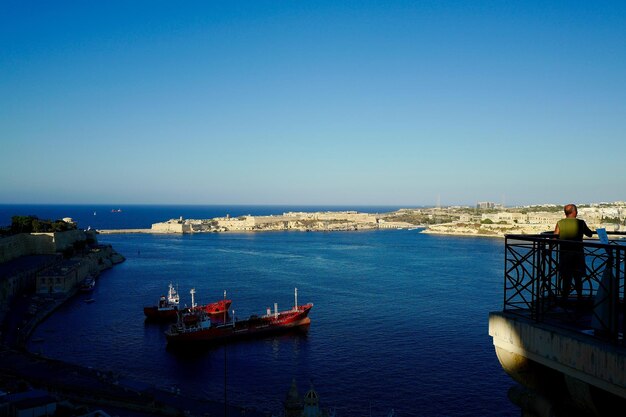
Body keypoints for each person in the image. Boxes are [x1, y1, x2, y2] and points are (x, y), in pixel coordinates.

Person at [554, 204, 594, 302]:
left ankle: (564, 298)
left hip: (564, 254)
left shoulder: (560, 223)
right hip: (577, 254)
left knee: (566, 277)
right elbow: (589, 234)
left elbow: (554, 237)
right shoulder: (581, 223)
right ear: (575, 212)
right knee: (578, 277)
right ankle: (579, 296)